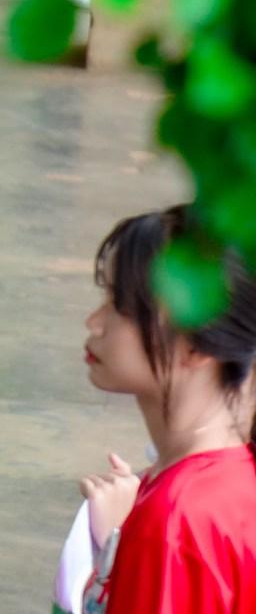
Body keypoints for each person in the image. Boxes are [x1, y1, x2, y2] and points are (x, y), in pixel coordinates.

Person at [75, 205, 256, 614]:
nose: (94, 322)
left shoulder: (174, 522)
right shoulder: (234, 477)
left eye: (120, 304)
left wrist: (112, 556)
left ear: (198, 342)